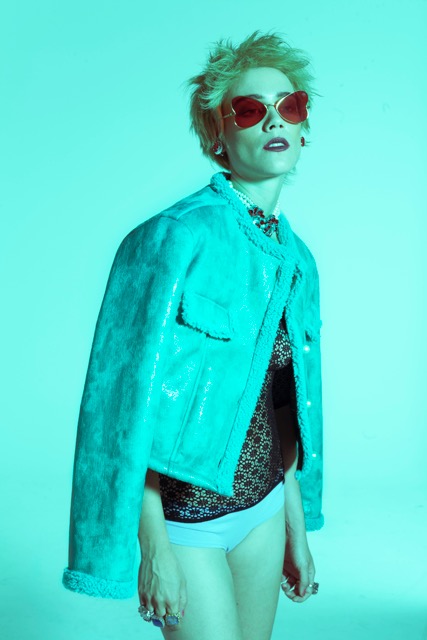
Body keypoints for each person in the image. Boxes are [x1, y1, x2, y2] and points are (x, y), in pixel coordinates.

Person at [62, 31, 325, 640]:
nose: (274, 121)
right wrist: (153, 545)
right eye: (250, 110)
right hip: (184, 522)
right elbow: (120, 411)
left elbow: (279, 405)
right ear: (217, 137)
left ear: (304, 126)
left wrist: (294, 523)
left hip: (263, 510)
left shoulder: (298, 260)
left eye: (289, 106)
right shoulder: (171, 238)